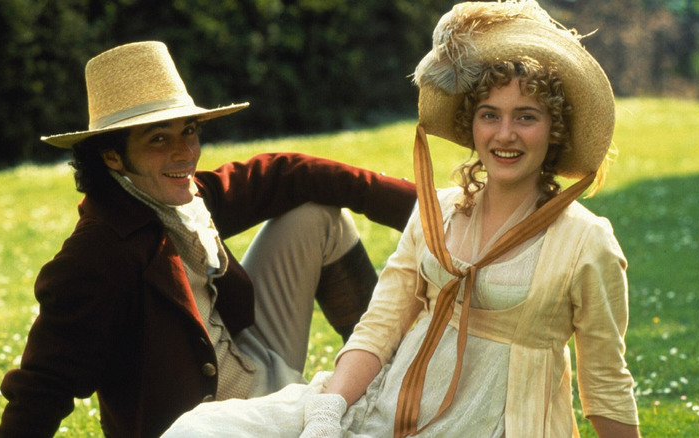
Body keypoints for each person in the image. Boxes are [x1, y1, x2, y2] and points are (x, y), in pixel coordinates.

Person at [161, 1, 640, 437]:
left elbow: (605, 384)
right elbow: (381, 326)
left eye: (526, 116)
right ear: (472, 127)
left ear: (554, 129)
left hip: (495, 425)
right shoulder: (440, 212)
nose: (505, 134)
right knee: (202, 431)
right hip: (384, 408)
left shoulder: (586, 241)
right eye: (490, 115)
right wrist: (329, 410)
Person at [0, 41, 417, 437]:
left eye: (189, 130)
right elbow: (43, 384)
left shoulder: (185, 197)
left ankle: (385, 377)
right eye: (159, 138)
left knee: (315, 214)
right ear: (112, 156)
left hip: (252, 366)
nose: (184, 152)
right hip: (207, 423)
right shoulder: (95, 256)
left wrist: (427, 211)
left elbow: (290, 173)